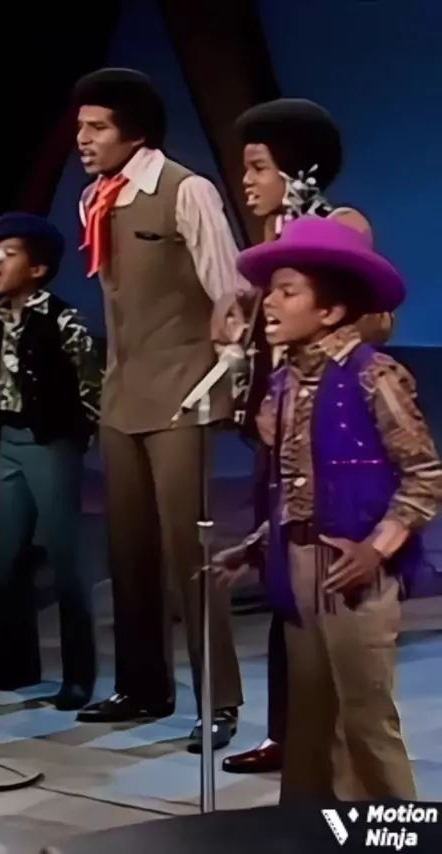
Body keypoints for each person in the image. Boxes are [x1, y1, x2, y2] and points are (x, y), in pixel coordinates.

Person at [216, 214, 442, 799]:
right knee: (309, 722)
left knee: (365, 721)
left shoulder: (375, 376)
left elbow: (424, 476)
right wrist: (258, 544)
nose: (270, 303)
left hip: (353, 571)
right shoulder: (286, 383)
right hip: (298, 568)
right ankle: (309, 829)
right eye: (272, 291)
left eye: (288, 292)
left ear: (332, 310)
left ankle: (394, 831)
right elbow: (298, 487)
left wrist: (376, 550)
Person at [217, 98, 394, 775]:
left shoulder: (340, 228)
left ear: (297, 170)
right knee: (285, 583)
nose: (248, 182)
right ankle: (292, 735)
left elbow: (373, 321)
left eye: (258, 167)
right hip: (283, 416)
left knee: (322, 581)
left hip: (331, 427)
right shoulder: (274, 240)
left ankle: (331, 753)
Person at [72, 67, 244, 751]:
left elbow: (229, 293)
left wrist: (228, 387)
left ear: (134, 131)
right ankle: (142, 686)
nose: (84, 139)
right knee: (130, 549)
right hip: (123, 396)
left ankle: (220, 699)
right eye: (81, 128)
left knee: (189, 551)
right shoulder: (95, 198)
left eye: (97, 128)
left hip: (183, 394)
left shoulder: (185, 190)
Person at [0, 212, 100, 711]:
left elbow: (92, 386)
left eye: (8, 255)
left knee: (66, 560)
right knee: (5, 557)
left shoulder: (62, 320)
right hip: (7, 442)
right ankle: (14, 663)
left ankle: (79, 675)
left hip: (51, 443)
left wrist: (78, 438)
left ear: (37, 269)